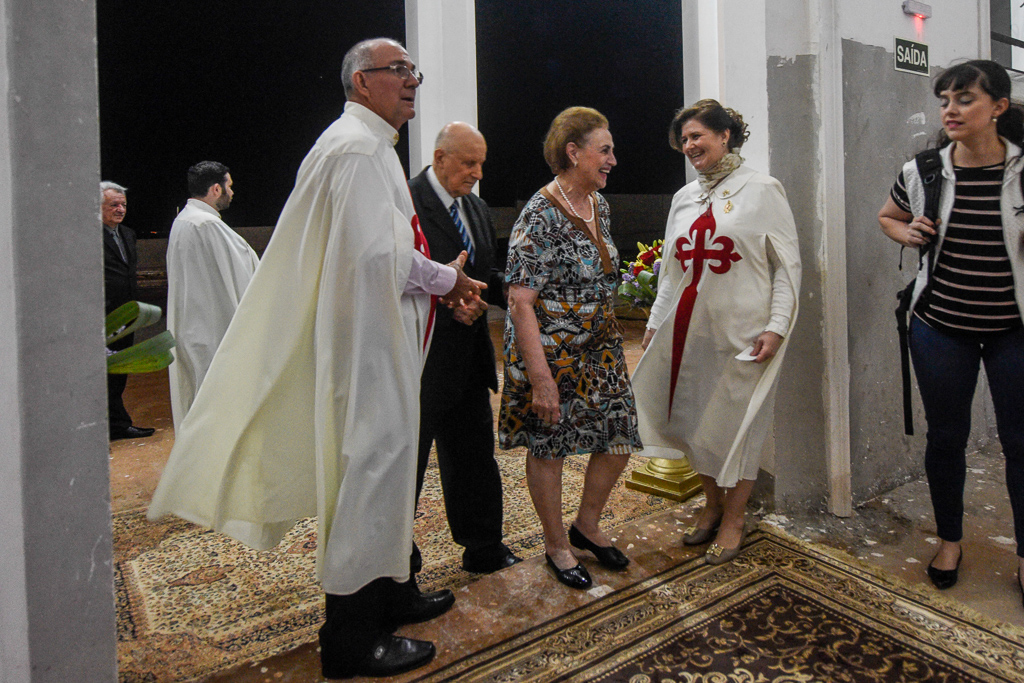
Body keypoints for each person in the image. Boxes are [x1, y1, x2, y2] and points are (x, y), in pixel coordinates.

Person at [147, 38, 487, 679]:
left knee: (388, 474)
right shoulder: (356, 150)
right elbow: (375, 257)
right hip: (366, 350)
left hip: (380, 342)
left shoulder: (367, 145)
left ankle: (393, 592)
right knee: (369, 478)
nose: (412, 80)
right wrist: (447, 280)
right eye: (399, 70)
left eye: (413, 70)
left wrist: (442, 282)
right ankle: (352, 639)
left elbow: (383, 246)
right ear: (362, 81)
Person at [877, 60, 1024, 600]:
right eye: (945, 101)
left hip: (1015, 330)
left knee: (1020, 442)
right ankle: (949, 541)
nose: (951, 110)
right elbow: (888, 216)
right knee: (946, 438)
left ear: (998, 107)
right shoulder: (923, 171)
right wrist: (908, 232)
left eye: (964, 99)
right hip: (939, 326)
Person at [632, 99, 801, 566]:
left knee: (740, 428)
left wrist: (777, 326)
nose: (689, 146)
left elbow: (787, 267)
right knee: (695, 424)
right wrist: (655, 323)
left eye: (697, 136)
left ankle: (735, 518)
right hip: (690, 332)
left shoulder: (763, 190)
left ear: (725, 136)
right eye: (683, 140)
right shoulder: (684, 198)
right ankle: (712, 505)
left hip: (745, 333)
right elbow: (672, 272)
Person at [499, 107, 642, 590]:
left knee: (619, 436)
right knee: (551, 445)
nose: (613, 160)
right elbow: (520, 302)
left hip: (600, 348)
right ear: (573, 152)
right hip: (551, 352)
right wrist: (541, 380)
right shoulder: (539, 214)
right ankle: (557, 544)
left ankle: (587, 525)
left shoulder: (599, 204)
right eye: (605, 151)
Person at [409, 122, 522, 574]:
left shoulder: (475, 207)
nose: (478, 173)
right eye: (469, 163)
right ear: (440, 158)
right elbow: (394, 276)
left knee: (474, 457)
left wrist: (513, 290)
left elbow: (482, 272)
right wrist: (447, 304)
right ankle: (397, 563)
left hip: (471, 360)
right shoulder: (405, 203)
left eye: (481, 163)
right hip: (421, 361)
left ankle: (483, 547)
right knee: (407, 466)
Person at [166, 161, 259, 431]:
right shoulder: (206, 225)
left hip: (194, 326)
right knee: (215, 406)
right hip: (211, 329)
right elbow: (246, 274)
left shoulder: (184, 220)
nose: (232, 192)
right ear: (216, 189)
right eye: (230, 186)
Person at [102, 181, 155, 441]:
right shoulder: (87, 236)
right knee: (103, 373)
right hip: (104, 317)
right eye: (114, 205)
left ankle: (117, 425)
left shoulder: (128, 234)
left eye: (123, 204)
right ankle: (108, 425)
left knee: (119, 371)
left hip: (127, 315)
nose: (120, 209)